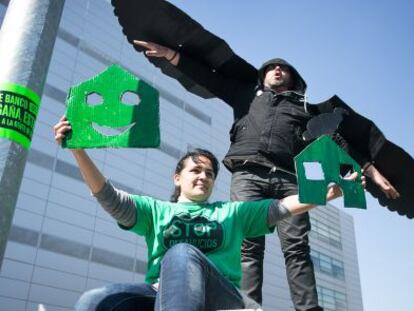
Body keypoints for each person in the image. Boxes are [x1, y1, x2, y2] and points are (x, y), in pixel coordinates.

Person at [131, 40, 399, 311]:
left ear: (293, 78)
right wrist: (172, 55)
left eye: (284, 68)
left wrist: (371, 172)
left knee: (296, 245)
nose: (277, 70)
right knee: (248, 243)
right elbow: (209, 79)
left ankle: (308, 309)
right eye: (272, 67)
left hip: (289, 178)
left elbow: (337, 142)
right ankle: (246, 307)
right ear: (264, 75)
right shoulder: (244, 94)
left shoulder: (306, 110)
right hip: (248, 173)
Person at [54, 116, 362, 311]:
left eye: (210, 174)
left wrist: (326, 193)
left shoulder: (232, 212)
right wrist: (78, 150)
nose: (203, 176)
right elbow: (108, 196)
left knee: (182, 254)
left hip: (220, 297)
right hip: (158, 294)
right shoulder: (156, 211)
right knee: (94, 301)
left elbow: (281, 207)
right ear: (178, 178)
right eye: (195, 170)